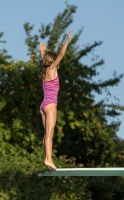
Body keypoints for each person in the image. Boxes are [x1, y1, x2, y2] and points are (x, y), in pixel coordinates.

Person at [40, 30, 72, 170]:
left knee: (48, 133)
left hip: (43, 106)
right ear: (53, 62)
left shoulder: (44, 71)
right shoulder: (52, 69)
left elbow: (46, 61)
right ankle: (48, 159)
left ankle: (47, 159)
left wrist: (43, 52)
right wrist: (67, 40)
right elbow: (61, 54)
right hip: (51, 105)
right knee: (49, 133)